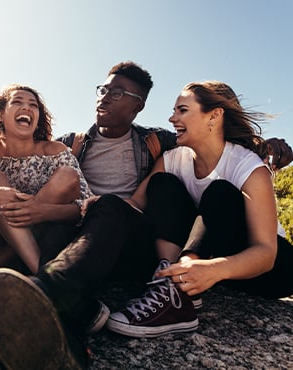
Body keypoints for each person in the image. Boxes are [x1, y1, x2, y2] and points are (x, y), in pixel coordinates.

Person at [0, 61, 177, 369]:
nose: (104, 96)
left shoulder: (156, 141)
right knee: (37, 206)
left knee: (105, 203)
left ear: (138, 105)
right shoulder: (72, 142)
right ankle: (61, 313)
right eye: (103, 89)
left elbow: (200, 142)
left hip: (119, 230)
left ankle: (27, 285)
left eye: (116, 92)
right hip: (73, 240)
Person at [107, 81, 293, 338]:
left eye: (182, 110)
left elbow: (265, 252)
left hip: (268, 269)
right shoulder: (173, 159)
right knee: (162, 184)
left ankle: (179, 292)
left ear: (214, 116)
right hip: (207, 257)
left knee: (220, 193)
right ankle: (172, 279)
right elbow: (136, 203)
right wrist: (96, 206)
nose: (172, 118)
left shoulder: (248, 166)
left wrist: (215, 269)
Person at [0, 84, 92, 274]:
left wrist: (40, 210)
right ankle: (42, 275)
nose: (27, 107)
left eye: (33, 105)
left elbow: (85, 208)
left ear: (37, 119)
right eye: (17, 102)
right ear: (1, 114)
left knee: (67, 175)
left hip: (47, 237)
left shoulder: (56, 151)